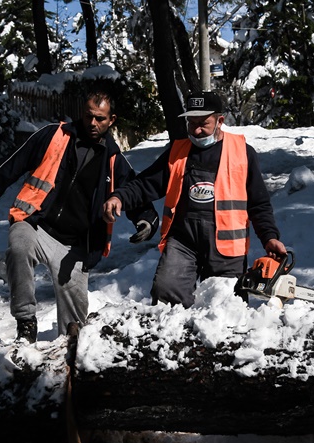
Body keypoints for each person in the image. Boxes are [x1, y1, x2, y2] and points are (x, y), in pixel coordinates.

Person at [0, 90, 158, 342]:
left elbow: (133, 188)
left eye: (100, 118)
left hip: (76, 246)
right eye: (88, 116)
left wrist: (147, 219)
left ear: (112, 120)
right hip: (36, 226)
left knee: (74, 329)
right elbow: (9, 165)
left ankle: (68, 360)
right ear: (82, 113)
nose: (93, 123)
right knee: (19, 247)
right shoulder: (54, 135)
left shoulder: (113, 159)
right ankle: (26, 322)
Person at [102, 91, 287, 308]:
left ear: (220, 121)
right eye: (191, 123)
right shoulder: (177, 152)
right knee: (166, 295)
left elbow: (259, 203)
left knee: (225, 308)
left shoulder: (242, 153)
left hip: (226, 248)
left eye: (203, 123)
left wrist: (269, 237)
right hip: (183, 242)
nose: (196, 130)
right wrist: (119, 197)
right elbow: (146, 184)